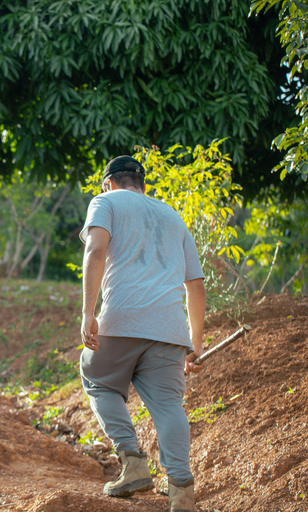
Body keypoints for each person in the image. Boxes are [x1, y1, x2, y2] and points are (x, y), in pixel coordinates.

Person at [79, 156, 206, 512]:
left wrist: (88, 312)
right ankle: (182, 493)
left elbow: (95, 249)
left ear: (108, 183)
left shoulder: (104, 202)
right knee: (168, 406)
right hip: (169, 329)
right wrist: (195, 343)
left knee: (98, 379)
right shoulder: (172, 216)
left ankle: (133, 463)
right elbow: (195, 285)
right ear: (143, 185)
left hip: (121, 318)